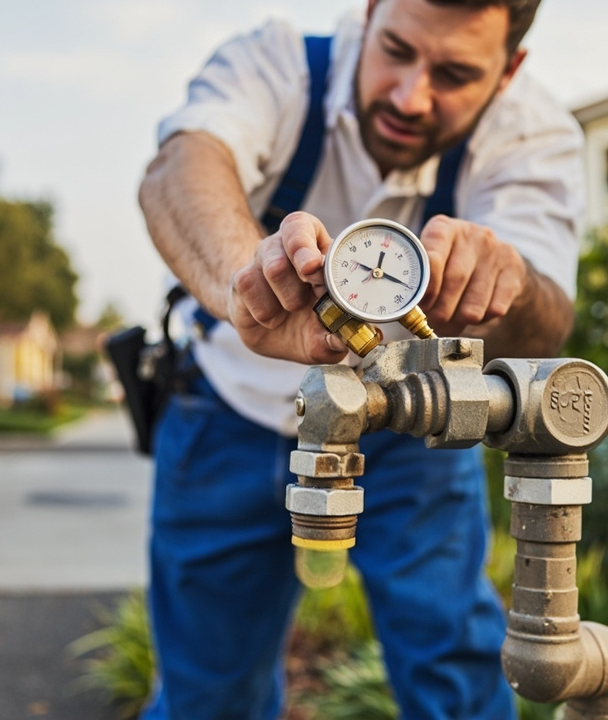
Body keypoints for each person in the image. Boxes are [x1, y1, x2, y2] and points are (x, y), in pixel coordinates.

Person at [137, 0, 583, 717]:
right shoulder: (278, 63)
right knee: (206, 695)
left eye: (455, 74)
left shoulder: (530, 133)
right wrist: (245, 283)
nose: (410, 97)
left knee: (452, 674)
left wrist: (509, 284)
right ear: (370, 13)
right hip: (226, 411)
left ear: (509, 70)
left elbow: (545, 323)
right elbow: (178, 170)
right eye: (397, 50)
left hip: (415, 431)